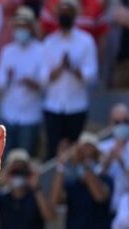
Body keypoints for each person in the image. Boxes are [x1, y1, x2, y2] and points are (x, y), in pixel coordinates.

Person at [51, 133, 113, 229]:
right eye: (83, 149)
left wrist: (83, 163)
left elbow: (99, 196)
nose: (85, 154)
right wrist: (61, 165)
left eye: (90, 150)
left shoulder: (106, 180)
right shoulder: (73, 184)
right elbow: (55, 200)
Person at [40, 0, 98, 159]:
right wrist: (59, 69)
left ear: (74, 15)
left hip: (76, 106)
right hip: (53, 106)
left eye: (68, 12)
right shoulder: (49, 43)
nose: (64, 15)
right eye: (62, 12)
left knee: (75, 152)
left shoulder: (86, 41)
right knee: (53, 151)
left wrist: (73, 68)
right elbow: (43, 77)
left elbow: (91, 75)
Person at [0, 7, 43, 156]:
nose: (21, 30)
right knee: (4, 156)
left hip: (30, 114)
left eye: (25, 26)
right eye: (19, 27)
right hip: (8, 112)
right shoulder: (7, 51)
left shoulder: (40, 50)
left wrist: (32, 82)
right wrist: (8, 77)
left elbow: (45, 81)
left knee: (25, 156)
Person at [98, 103, 129, 212]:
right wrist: (107, 163)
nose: (122, 125)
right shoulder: (100, 149)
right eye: (117, 122)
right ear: (110, 124)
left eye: (125, 121)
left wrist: (123, 163)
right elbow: (95, 179)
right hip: (103, 209)